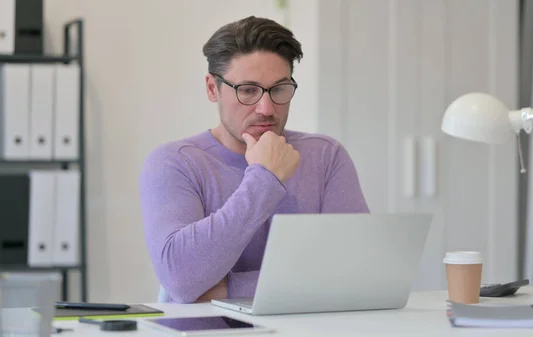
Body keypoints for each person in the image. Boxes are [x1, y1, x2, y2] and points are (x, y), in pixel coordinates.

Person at [139, 16, 369, 304]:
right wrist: (265, 179)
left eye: (279, 89)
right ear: (213, 88)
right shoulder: (174, 163)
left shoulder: (325, 156)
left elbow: (358, 273)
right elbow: (181, 280)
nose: (266, 107)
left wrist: (226, 290)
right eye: (247, 90)